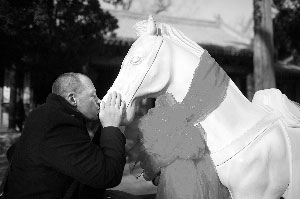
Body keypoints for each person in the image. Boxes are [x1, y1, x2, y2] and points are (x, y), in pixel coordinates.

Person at [5, 72, 126, 199]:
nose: (99, 101)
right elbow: (108, 175)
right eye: (93, 96)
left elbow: (92, 164)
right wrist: (111, 126)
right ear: (72, 99)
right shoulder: (57, 123)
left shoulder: (49, 115)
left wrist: (108, 124)